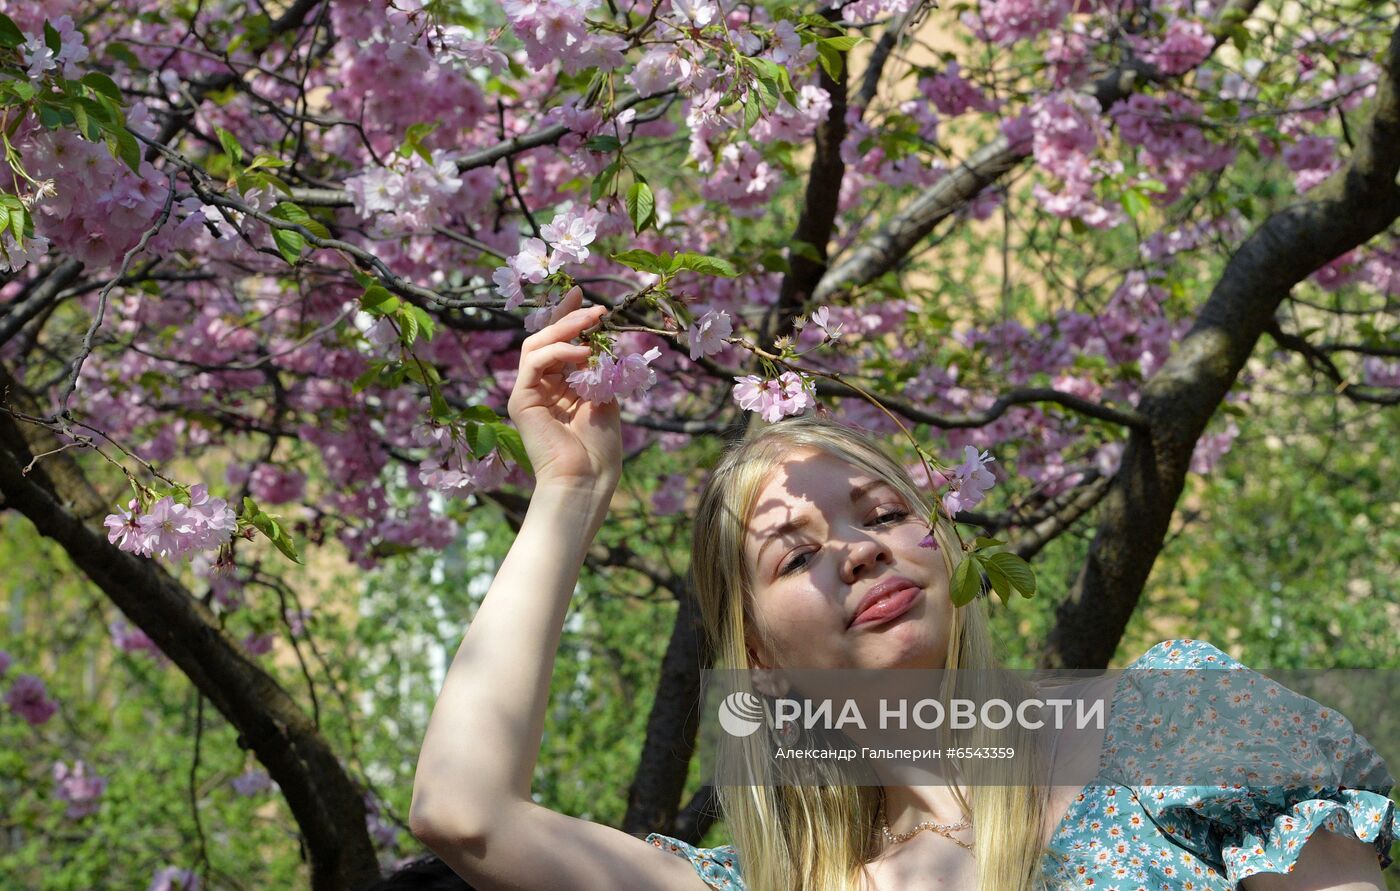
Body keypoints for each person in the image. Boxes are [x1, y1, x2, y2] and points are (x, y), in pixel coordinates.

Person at [409, 287, 1397, 890]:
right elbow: (465, 813)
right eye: (793, 556)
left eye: (882, 514)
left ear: (946, 552)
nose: (857, 550)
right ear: (761, 663)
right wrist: (568, 493)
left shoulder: (1173, 729)